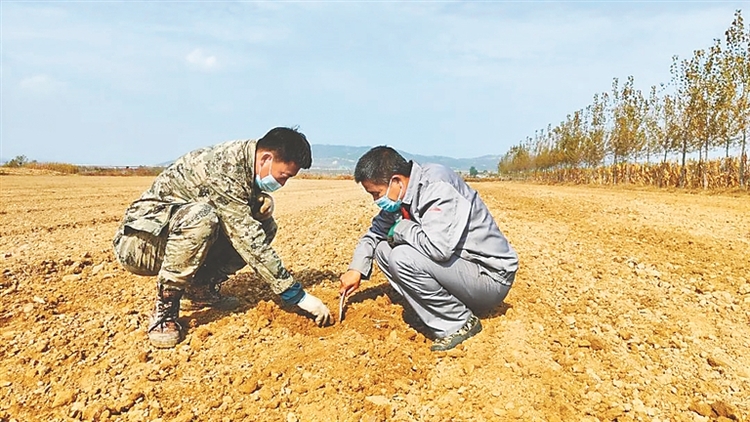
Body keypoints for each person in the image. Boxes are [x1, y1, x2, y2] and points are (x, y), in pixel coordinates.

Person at [113, 127, 332, 349]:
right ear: (266, 158)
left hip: (169, 236)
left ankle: (198, 289)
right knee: (202, 218)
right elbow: (248, 239)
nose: (282, 184)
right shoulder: (225, 168)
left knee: (264, 222)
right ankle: (166, 309)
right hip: (140, 244)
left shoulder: (246, 166)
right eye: (283, 176)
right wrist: (297, 296)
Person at [339, 146, 518, 351]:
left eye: (376, 193)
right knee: (382, 250)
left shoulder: (436, 187)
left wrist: (402, 228)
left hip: (489, 278)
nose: (376, 201)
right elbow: (374, 234)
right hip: (462, 273)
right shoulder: (402, 196)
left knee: (402, 256)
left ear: (396, 181)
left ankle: (458, 323)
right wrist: (356, 269)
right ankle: (436, 309)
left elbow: (438, 249)